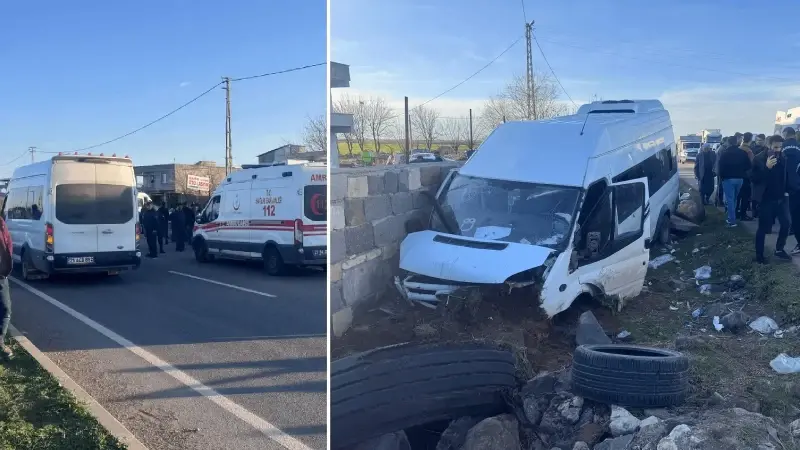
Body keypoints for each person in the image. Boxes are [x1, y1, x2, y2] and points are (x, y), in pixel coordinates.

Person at [752, 135, 792, 263]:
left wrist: (787, 191)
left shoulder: (783, 157)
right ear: (768, 146)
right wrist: (766, 168)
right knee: (763, 228)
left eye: (780, 147)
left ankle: (779, 249)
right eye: (775, 147)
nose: (778, 150)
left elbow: (785, 175)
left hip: (781, 198)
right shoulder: (758, 159)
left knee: (786, 224)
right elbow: (754, 178)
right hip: (766, 199)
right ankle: (759, 255)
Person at [717, 135, 752, 227]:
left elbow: (721, 167)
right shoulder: (742, 153)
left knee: (730, 200)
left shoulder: (725, 153)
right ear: (737, 142)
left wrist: (722, 177)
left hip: (728, 179)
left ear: (728, 142)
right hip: (740, 179)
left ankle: (731, 220)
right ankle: (732, 216)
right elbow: (748, 166)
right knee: (735, 199)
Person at [781, 127, 800, 254]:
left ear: (785, 134)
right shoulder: (799, 146)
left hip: (789, 187)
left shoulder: (781, 147)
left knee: (794, 216)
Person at [0, 216, 13, 360]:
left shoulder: (0, 222)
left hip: (1, 275)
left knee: (5, 309)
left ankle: (0, 342)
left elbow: (8, 242)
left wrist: (6, 268)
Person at [737, 132, 756, 220]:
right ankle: (743, 214)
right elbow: (752, 163)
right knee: (745, 197)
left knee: (738, 196)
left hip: (738, 175)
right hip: (746, 176)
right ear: (751, 139)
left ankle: (736, 212)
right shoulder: (748, 151)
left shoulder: (739, 148)